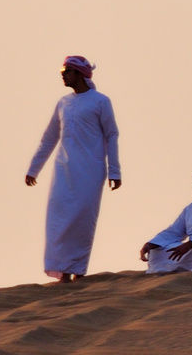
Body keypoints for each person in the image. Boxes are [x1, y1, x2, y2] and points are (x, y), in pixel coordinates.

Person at [25, 55, 121, 282]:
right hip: (63, 172)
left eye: (67, 70)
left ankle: (77, 271)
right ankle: (62, 274)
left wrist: (114, 170)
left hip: (90, 171)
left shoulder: (100, 101)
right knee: (58, 221)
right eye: (62, 70)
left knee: (82, 220)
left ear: (80, 74)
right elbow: (49, 138)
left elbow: (112, 135)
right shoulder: (63, 103)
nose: (63, 74)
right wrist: (34, 168)